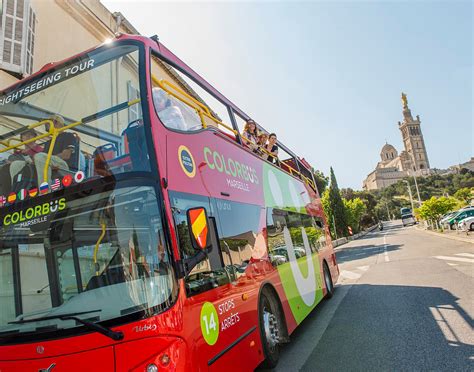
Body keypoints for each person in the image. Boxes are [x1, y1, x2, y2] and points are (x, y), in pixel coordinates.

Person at [34, 114, 77, 185]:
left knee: (40, 157)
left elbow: (66, 155)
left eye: (48, 122)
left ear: (56, 122)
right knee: (18, 164)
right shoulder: (48, 142)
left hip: (65, 167)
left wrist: (49, 161)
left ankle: (45, 190)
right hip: (51, 164)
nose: (45, 124)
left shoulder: (68, 136)